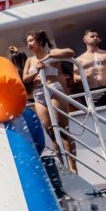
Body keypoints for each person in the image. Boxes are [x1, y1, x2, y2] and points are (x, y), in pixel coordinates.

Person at [22, 31, 77, 172]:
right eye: (27, 42)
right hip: (38, 93)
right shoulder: (30, 60)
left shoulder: (52, 52)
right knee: (51, 133)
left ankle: (73, 167)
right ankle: (64, 169)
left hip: (54, 89)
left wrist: (50, 57)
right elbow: (25, 78)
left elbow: (70, 52)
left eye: (31, 40)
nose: (29, 44)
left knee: (63, 130)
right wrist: (37, 71)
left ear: (39, 41)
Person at [75, 29, 106, 106]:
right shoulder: (78, 60)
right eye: (92, 36)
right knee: (98, 115)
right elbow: (75, 78)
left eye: (97, 36)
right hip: (92, 92)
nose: (95, 38)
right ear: (85, 40)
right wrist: (86, 76)